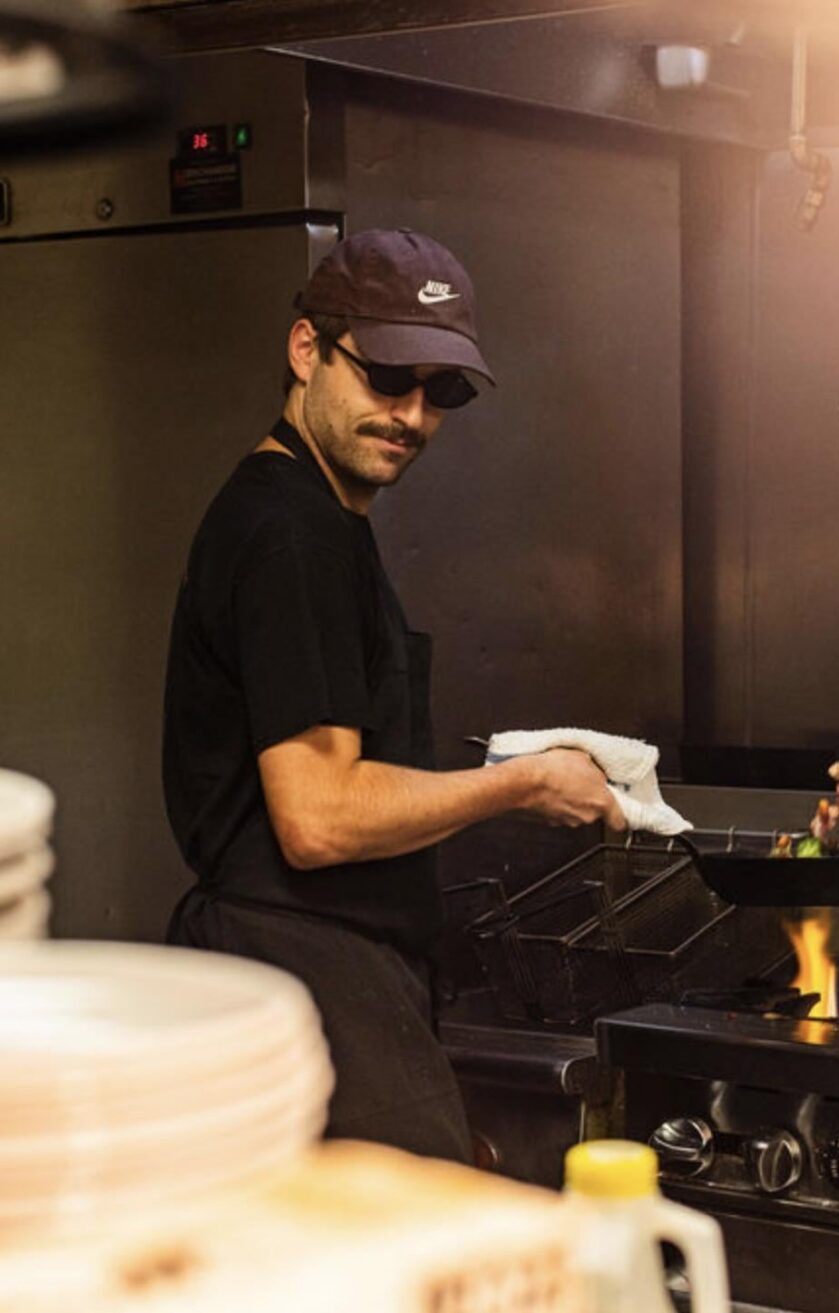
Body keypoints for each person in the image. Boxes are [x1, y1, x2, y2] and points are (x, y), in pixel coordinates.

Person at [162, 228, 624, 1163]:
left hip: (322, 969)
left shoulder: (320, 520)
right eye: (387, 376)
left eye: (440, 390)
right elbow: (319, 817)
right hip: (303, 965)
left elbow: (339, 770)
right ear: (306, 351)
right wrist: (526, 784)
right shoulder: (292, 531)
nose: (410, 413)